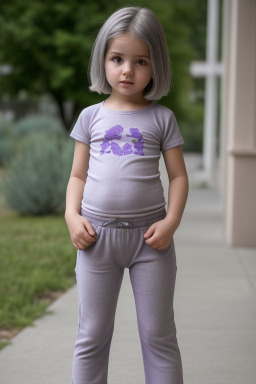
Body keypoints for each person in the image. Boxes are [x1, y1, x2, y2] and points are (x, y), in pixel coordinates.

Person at [65, 6, 189, 384]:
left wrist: (170, 223)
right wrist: (72, 215)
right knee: (92, 335)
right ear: (103, 58)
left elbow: (179, 177)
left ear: (156, 67)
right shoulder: (91, 117)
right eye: (117, 59)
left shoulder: (161, 118)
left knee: (158, 335)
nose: (127, 71)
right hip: (96, 240)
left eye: (141, 62)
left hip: (151, 242)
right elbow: (77, 175)